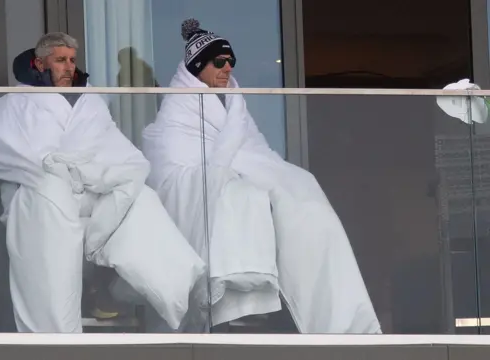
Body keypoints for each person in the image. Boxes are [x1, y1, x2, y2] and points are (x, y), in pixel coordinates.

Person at [141, 19, 382, 333]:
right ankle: (237, 300)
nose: (228, 68)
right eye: (219, 62)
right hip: (203, 187)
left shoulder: (234, 103)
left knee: (303, 195)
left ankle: (342, 322)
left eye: (231, 62)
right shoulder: (176, 112)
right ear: (196, 67)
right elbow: (171, 165)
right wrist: (221, 174)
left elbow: (256, 153)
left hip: (243, 175)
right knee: (240, 197)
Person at [0, 32, 206, 333]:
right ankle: (60, 332)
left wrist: (91, 173)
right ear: (39, 63)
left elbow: (112, 147)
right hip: (40, 195)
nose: (69, 67)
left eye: (72, 60)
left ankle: (162, 293)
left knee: (141, 199)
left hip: (92, 189)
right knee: (54, 197)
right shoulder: (13, 104)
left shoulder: (90, 101)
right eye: (60, 60)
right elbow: (21, 156)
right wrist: (72, 170)